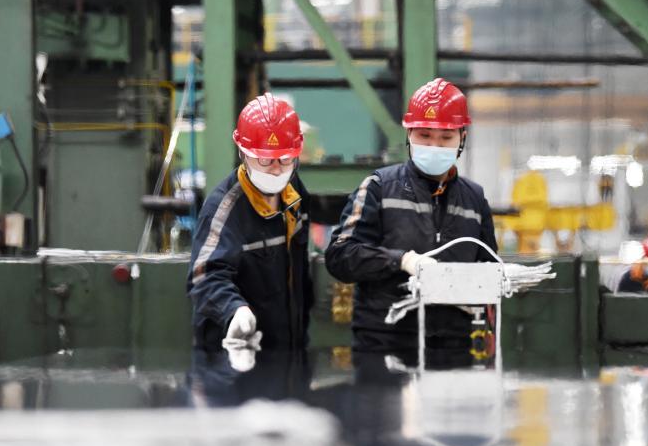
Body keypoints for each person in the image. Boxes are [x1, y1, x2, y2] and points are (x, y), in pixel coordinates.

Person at [324, 78, 498, 353]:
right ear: (409, 135)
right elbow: (340, 256)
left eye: (445, 138)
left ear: (462, 138)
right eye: (425, 136)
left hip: (453, 346)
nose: (435, 146)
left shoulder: (474, 199)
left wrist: (500, 279)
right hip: (384, 344)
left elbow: (488, 269)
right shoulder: (379, 188)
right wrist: (401, 261)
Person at [187, 93, 313, 350]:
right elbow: (205, 276)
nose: (277, 169)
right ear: (243, 153)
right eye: (265, 159)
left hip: (287, 351)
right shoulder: (224, 209)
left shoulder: (294, 193)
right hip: (237, 356)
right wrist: (235, 311)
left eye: (286, 158)